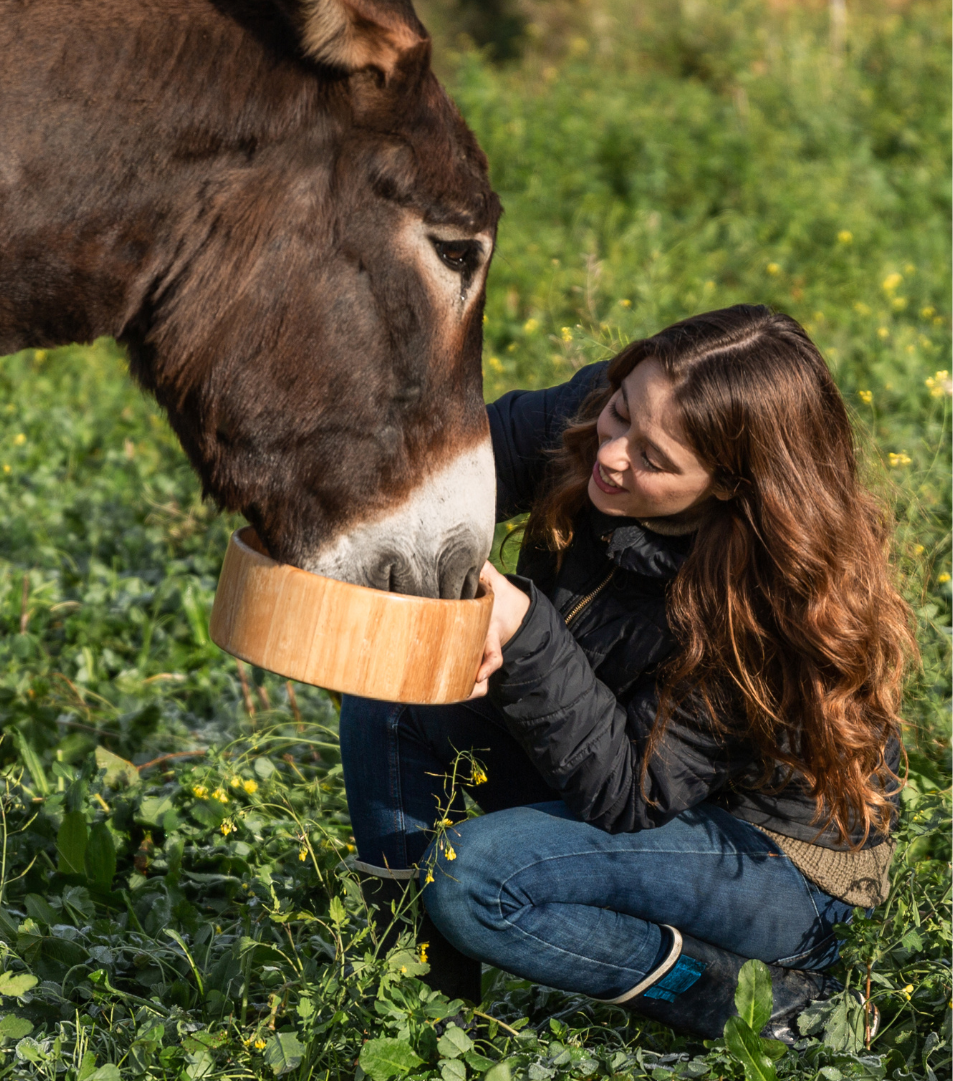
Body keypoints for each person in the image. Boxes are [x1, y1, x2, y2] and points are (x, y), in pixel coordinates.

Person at [339, 305, 916, 1039]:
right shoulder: (601, 427)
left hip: (772, 861)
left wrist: (522, 631)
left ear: (731, 485)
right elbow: (443, 472)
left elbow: (632, 793)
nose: (614, 455)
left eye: (655, 460)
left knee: (475, 878)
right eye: (619, 413)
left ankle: (749, 1000)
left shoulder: (767, 599)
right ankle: (417, 1002)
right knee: (389, 695)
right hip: (625, 761)